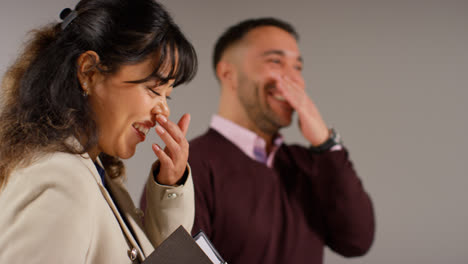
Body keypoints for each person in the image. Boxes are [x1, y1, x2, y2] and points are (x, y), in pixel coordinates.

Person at [142, 17, 375, 263]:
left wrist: (326, 144)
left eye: (297, 67)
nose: (294, 79)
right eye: (276, 61)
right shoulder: (185, 170)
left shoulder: (311, 165)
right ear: (228, 73)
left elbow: (356, 241)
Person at [0, 0, 197, 263]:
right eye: (153, 90)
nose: (163, 112)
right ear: (89, 72)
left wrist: (170, 185)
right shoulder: (61, 181)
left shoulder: (97, 175)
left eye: (167, 97)